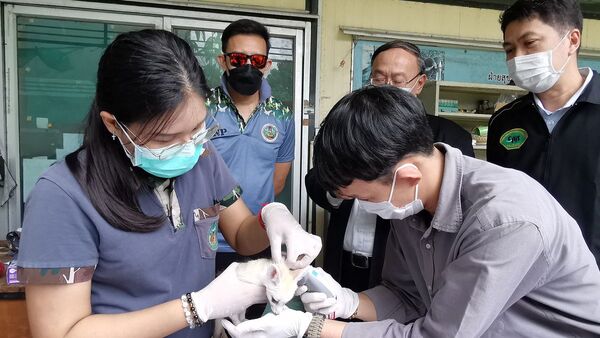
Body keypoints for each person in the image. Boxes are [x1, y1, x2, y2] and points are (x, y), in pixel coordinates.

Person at [223, 86, 600, 338]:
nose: (362, 207)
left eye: (360, 197)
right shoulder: (410, 203)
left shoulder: (505, 221)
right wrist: (349, 301)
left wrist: (311, 327)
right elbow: (407, 297)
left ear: (406, 176)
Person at [16, 29, 320, 338]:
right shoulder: (63, 194)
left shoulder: (203, 157)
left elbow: (242, 236)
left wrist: (272, 218)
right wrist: (197, 307)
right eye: (165, 138)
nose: (189, 147)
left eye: (198, 127)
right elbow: (61, 333)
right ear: (113, 124)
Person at [305, 40, 474, 293]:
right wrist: (341, 190)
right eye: (379, 78)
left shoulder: (447, 136)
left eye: (397, 80)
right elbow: (319, 176)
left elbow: (453, 207)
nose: (387, 87)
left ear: (419, 83)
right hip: (344, 261)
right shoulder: (353, 125)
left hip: (402, 271)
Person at [487, 0, 600, 263]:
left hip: (591, 279)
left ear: (572, 40)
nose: (518, 58)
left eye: (530, 43)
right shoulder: (505, 121)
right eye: (509, 49)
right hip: (522, 275)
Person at [207, 19, 296, 261]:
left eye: (256, 60)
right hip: (205, 239)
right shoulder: (200, 108)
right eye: (237, 59)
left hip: (259, 236)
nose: (247, 66)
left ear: (267, 65)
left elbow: (277, 182)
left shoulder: (281, 115)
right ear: (222, 60)